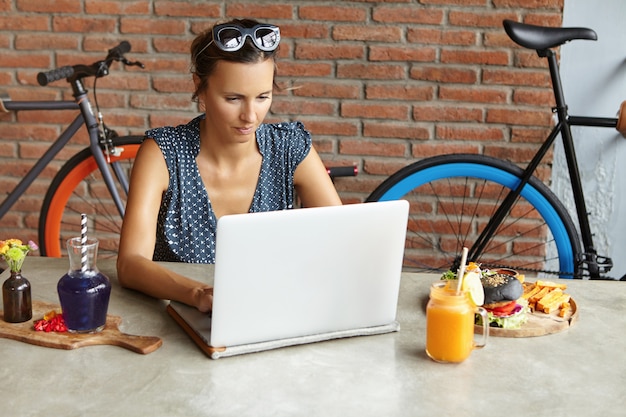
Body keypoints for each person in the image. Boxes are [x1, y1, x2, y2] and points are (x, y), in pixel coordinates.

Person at [117, 19, 342, 312]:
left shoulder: (290, 148)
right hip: (183, 323)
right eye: (233, 98)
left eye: (263, 97)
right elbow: (130, 264)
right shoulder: (163, 154)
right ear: (201, 88)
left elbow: (342, 242)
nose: (250, 116)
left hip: (275, 315)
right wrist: (197, 294)